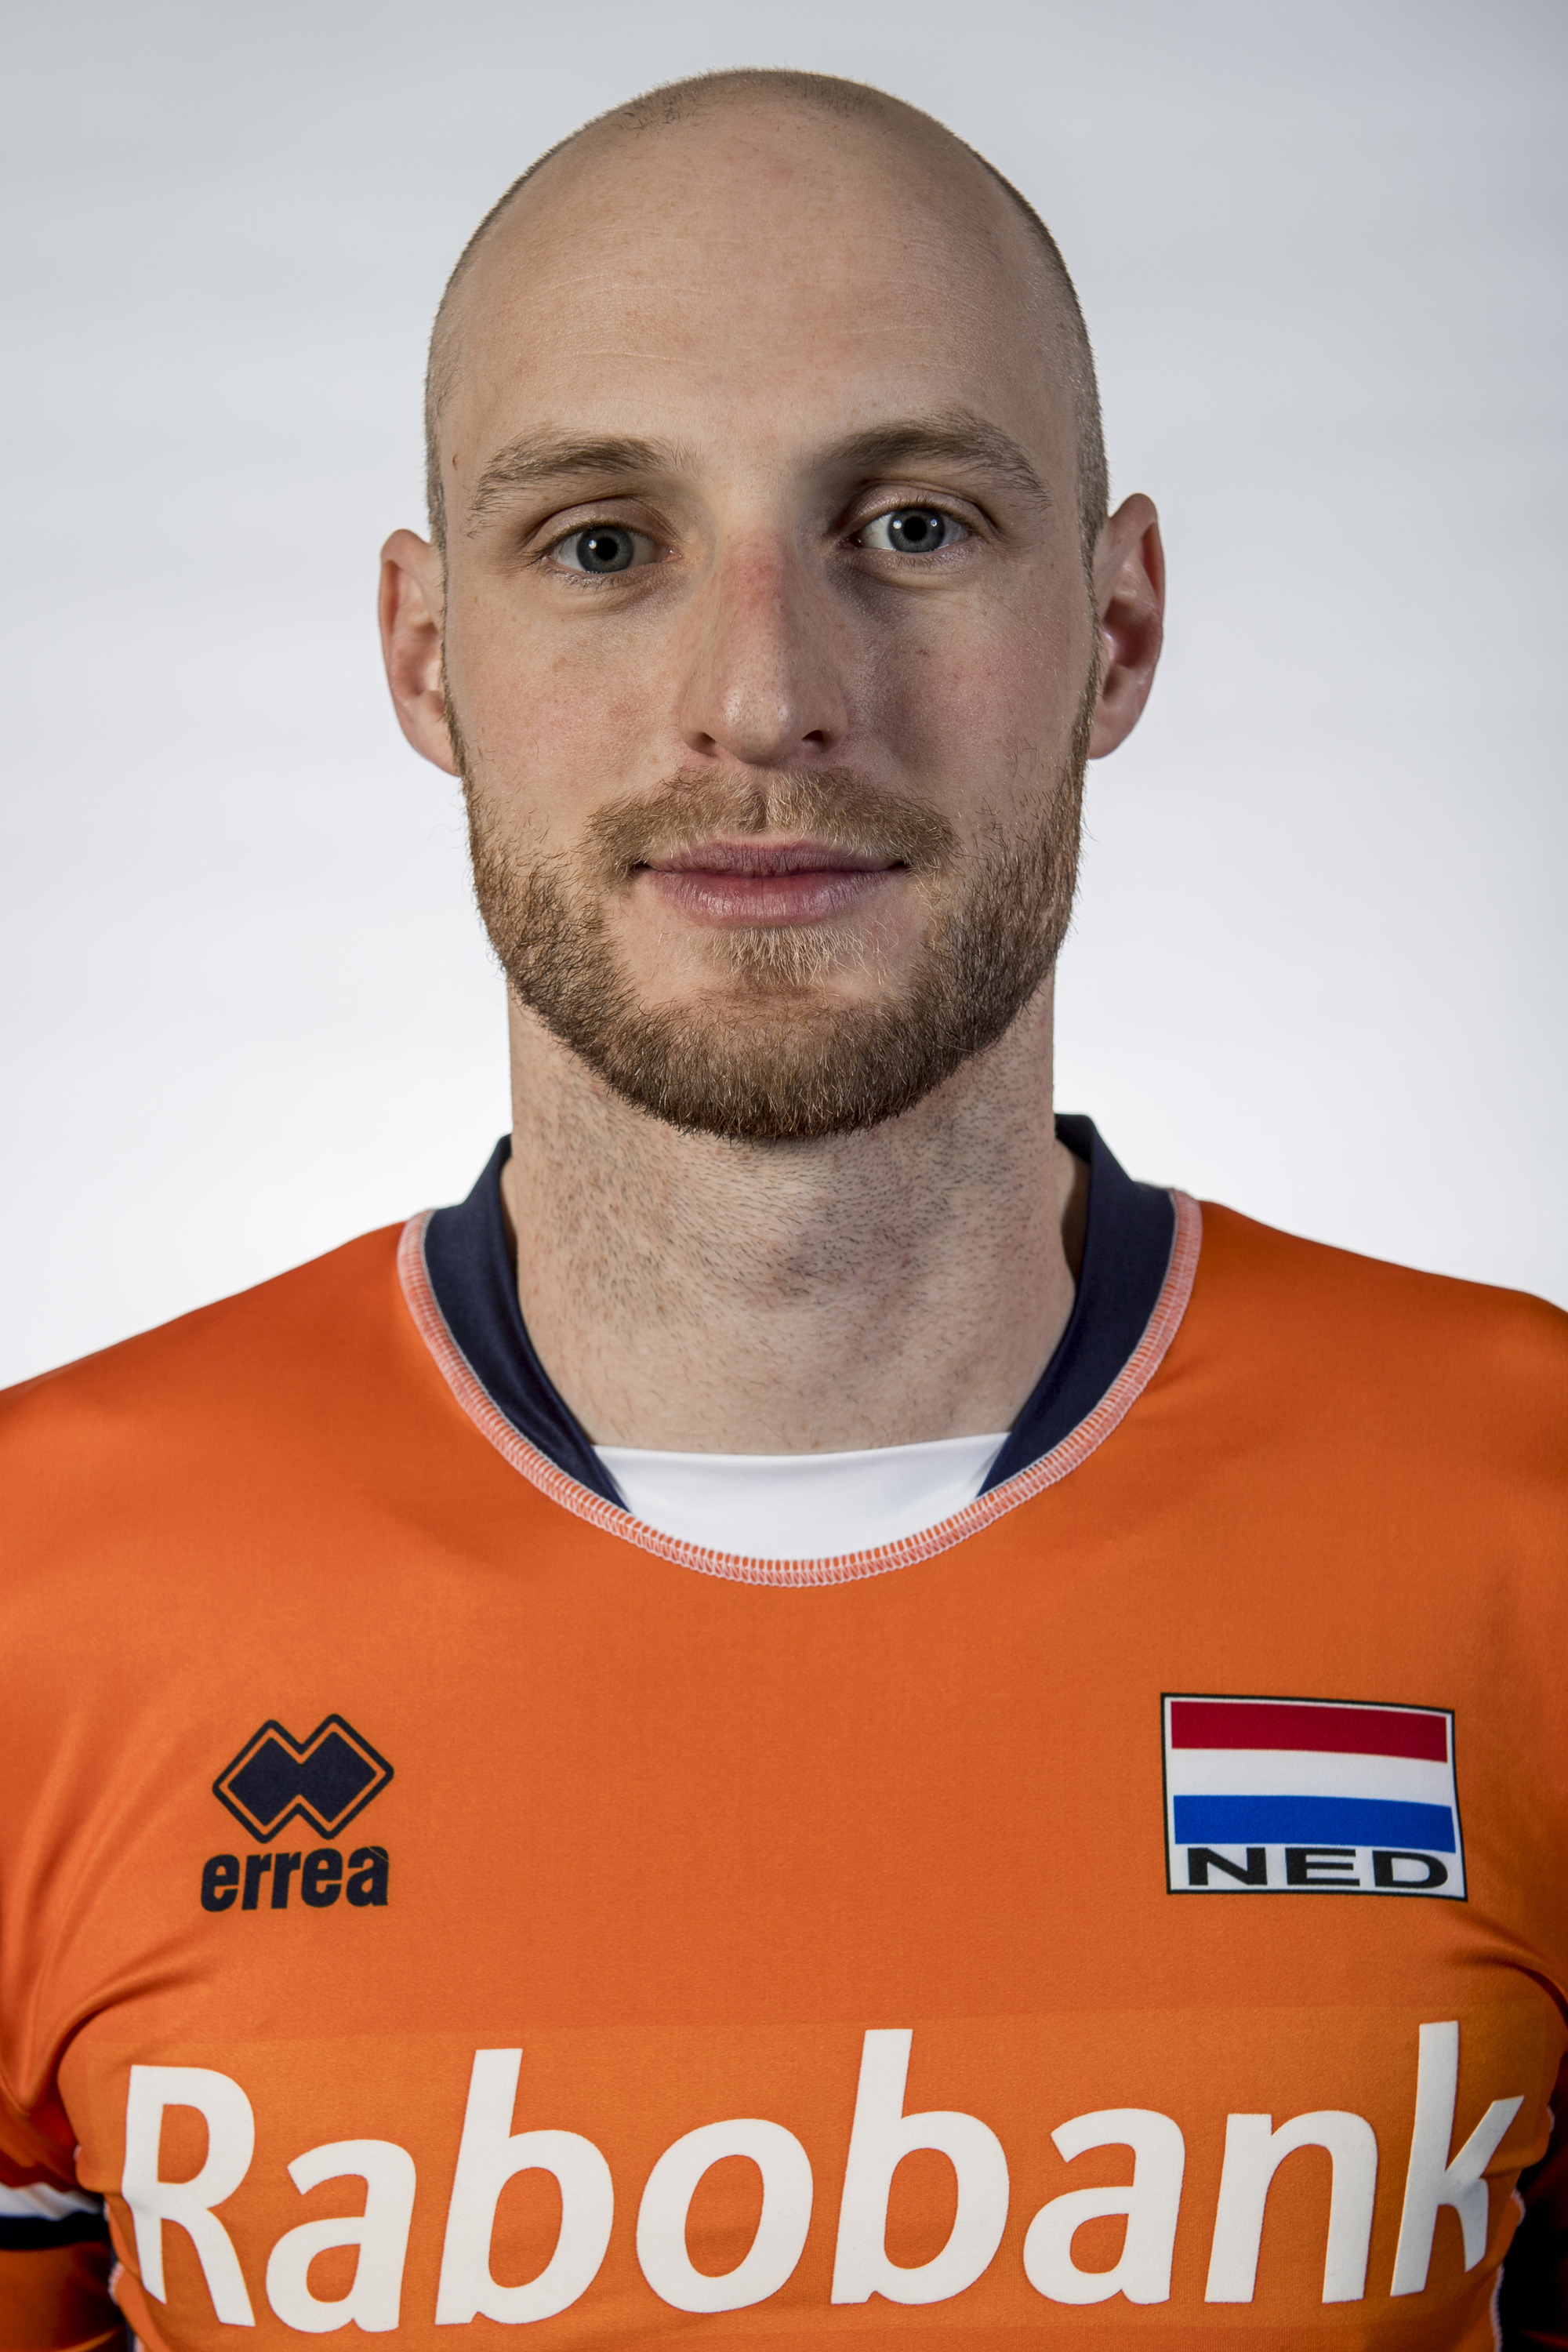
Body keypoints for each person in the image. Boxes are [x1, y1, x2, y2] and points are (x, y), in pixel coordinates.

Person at [1, 67, 1564, 2352]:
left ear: (1120, 627)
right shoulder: (38, 1590)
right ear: (426, 657)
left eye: (913, 524)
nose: (765, 699)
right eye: (602, 543)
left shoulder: (1532, 1513)